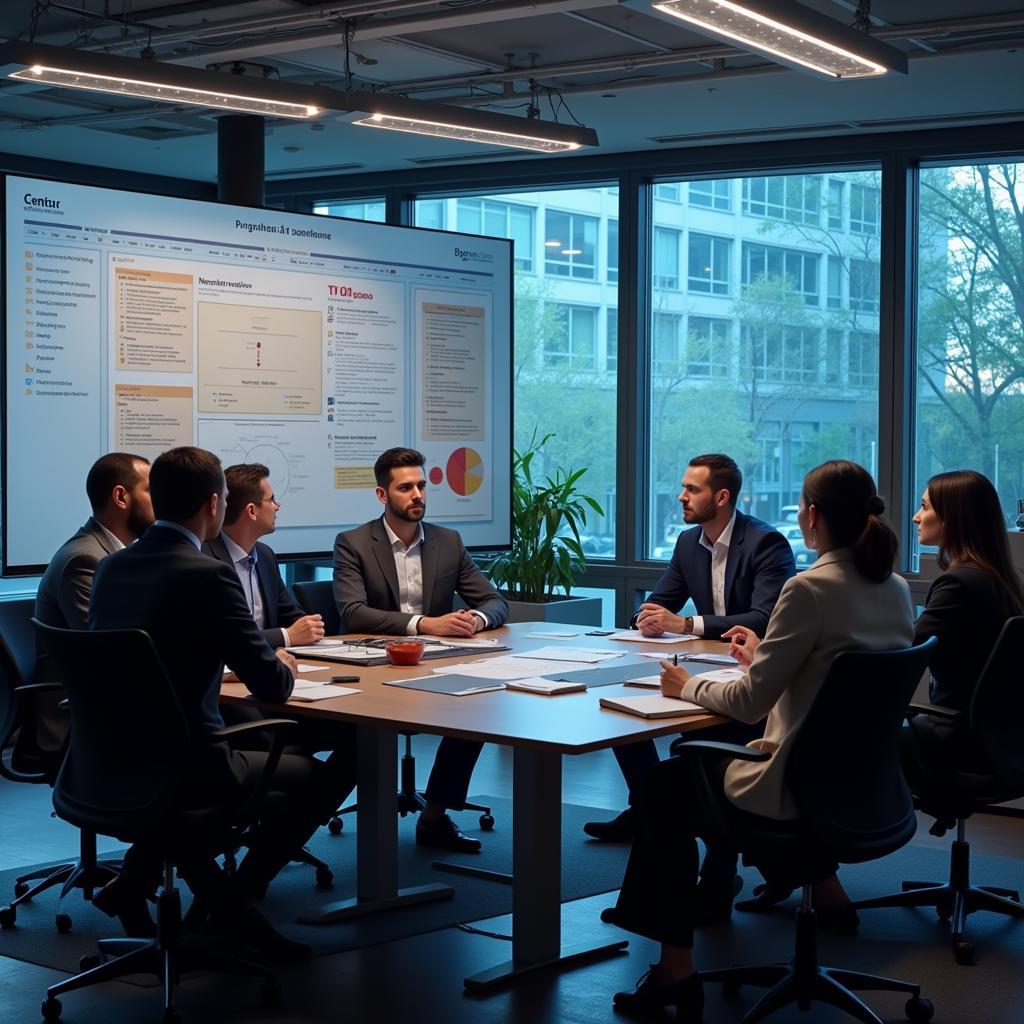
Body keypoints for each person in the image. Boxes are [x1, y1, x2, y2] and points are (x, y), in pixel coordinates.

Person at [604, 460, 914, 1019]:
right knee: (692, 772)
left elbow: (749, 702)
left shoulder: (809, 588)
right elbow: (837, 678)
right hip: (863, 783)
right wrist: (762, 659)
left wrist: (687, 684)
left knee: (665, 787)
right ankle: (774, 886)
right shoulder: (895, 589)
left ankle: (675, 967)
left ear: (812, 515)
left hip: (796, 785)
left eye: (800, 504)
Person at [89, 447, 348, 959]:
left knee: (199, 805)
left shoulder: (111, 569)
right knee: (323, 776)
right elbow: (271, 685)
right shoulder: (207, 574)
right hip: (193, 763)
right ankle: (237, 902)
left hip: (110, 761)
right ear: (214, 504)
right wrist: (286, 664)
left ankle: (157, 884)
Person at [584, 453, 795, 841]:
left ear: (721, 498)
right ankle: (645, 807)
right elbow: (658, 601)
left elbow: (764, 618)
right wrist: (644, 620)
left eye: (691, 489)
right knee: (623, 711)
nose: (681, 496)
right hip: (705, 665)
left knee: (683, 740)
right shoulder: (687, 543)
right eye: (683, 487)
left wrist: (684, 624)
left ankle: (656, 814)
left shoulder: (766, 543)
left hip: (749, 674)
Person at [333, 446, 509, 853]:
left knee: (476, 708)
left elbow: (494, 601)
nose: (418, 495)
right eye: (405, 487)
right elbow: (354, 613)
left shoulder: (448, 542)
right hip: (377, 668)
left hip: (435, 667)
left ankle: (434, 816)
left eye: (422, 486)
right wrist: (425, 625)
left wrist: (476, 620)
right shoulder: (354, 543)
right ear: (382, 495)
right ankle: (376, 854)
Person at [902, 470, 1024, 821]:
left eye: (924, 507)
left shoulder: (958, 583)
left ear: (953, 518)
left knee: (849, 737)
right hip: (1003, 741)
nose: (915, 516)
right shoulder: (1000, 579)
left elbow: (904, 653)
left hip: (960, 742)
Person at [25, 453, 154, 767]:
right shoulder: (85, 560)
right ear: (121, 497)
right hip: (85, 718)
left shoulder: (116, 554)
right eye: (150, 490)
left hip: (113, 702)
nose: (160, 500)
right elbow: (106, 652)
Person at [202, 463, 325, 649]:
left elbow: (290, 614)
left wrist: (309, 626)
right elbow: (220, 636)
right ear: (251, 511)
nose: (277, 506)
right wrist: (286, 636)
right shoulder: (204, 558)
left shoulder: (265, 555)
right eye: (271, 500)